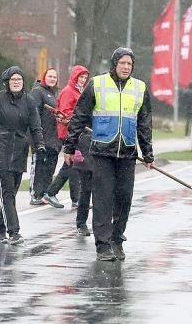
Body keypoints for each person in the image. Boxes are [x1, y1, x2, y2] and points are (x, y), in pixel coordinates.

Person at [62, 47, 154, 261]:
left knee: (124, 198)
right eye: (122, 63)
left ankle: (117, 239)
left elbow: (145, 123)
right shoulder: (97, 83)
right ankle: (102, 244)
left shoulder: (140, 88)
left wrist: (148, 153)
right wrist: (69, 146)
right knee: (103, 199)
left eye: (129, 64)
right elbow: (79, 116)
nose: (126, 67)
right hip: (103, 151)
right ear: (114, 64)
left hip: (128, 152)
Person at [0, 66, 45, 245]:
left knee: (11, 192)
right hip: (1, 149)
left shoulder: (29, 101)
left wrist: (40, 144)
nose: (16, 82)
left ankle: (0, 227)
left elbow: (35, 126)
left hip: (20, 149)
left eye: (19, 80)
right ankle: (14, 231)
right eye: (13, 80)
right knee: (6, 192)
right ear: (7, 82)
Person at [56, 65, 92, 234]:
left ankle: (72, 197)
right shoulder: (69, 91)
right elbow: (65, 116)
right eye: (81, 77)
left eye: (85, 78)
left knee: (73, 170)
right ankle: (54, 193)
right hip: (75, 138)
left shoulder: (83, 92)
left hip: (90, 141)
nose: (83, 80)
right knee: (76, 170)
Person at [35, 67, 77, 209]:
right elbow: (34, 115)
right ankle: (36, 194)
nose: (52, 79)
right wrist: (36, 135)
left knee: (50, 167)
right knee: (39, 166)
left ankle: (46, 193)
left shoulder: (54, 94)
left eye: (54, 77)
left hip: (54, 136)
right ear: (44, 77)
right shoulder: (38, 92)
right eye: (50, 76)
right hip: (42, 135)